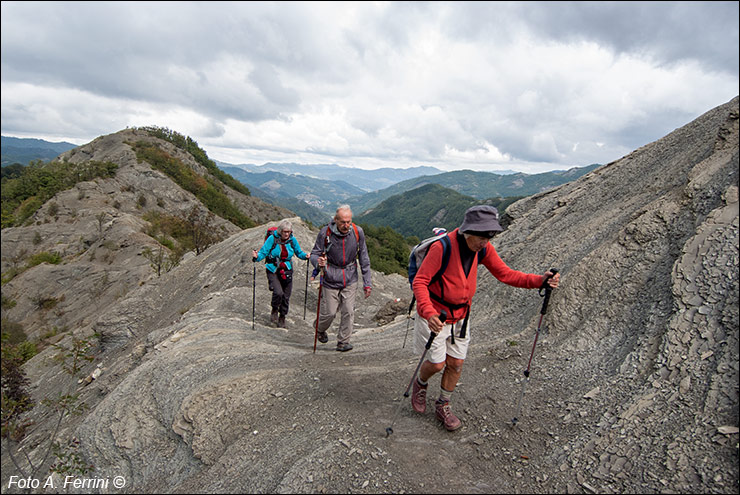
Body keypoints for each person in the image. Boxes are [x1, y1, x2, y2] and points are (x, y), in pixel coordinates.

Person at [410, 205, 560, 431]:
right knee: (437, 363)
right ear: (468, 231)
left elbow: (505, 274)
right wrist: (428, 312)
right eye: (482, 236)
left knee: (456, 363)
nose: (486, 241)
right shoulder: (442, 248)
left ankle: (443, 404)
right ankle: (420, 384)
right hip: (436, 314)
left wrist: (540, 280)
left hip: (462, 315)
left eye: (490, 235)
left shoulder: (483, 249)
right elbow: (420, 282)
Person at [310, 205, 372, 351]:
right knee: (330, 313)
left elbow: (364, 257)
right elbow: (314, 254)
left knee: (348, 311)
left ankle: (343, 342)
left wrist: (367, 283)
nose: (346, 225)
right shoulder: (325, 233)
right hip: (330, 277)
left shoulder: (357, 232)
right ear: (335, 220)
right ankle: (319, 329)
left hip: (350, 277)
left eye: (349, 222)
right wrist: (318, 262)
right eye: (343, 222)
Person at [252, 220, 309, 328]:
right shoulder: (272, 239)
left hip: (287, 270)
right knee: (278, 292)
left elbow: (298, 252)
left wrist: (305, 256)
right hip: (273, 269)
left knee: (286, 296)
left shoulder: (292, 240)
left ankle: (282, 316)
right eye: (284, 232)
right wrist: (257, 257)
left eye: (288, 232)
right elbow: (264, 251)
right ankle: (274, 309)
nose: (286, 234)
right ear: (280, 231)